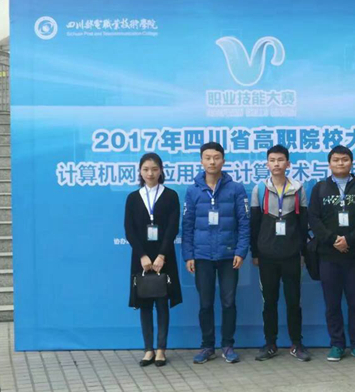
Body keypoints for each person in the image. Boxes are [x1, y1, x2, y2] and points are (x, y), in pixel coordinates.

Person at [183, 142, 250, 364]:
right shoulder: (193, 190)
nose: (212, 162)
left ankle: (228, 345)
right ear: (201, 161)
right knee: (205, 303)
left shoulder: (236, 189)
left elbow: (244, 223)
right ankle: (207, 346)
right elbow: (187, 225)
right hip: (202, 256)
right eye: (207, 157)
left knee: (229, 302)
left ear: (223, 160)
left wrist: (241, 251)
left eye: (216, 157)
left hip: (229, 256)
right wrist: (189, 255)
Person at [308, 145, 355, 362]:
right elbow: (314, 219)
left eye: (344, 159)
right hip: (328, 256)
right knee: (332, 304)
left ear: (351, 162)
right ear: (329, 163)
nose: (340, 163)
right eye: (336, 160)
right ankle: (337, 344)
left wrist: (349, 240)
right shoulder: (320, 188)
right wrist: (333, 240)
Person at [250, 145, 311, 362]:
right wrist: (255, 252)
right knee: (269, 301)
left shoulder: (298, 188)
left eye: (280, 160)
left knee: (294, 301)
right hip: (266, 255)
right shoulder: (259, 189)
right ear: (267, 164)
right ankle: (270, 343)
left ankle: (296, 343)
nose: (276, 164)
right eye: (272, 160)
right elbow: (254, 224)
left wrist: (303, 252)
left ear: (288, 163)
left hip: (292, 255)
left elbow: (303, 223)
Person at [124, 152, 182, 367]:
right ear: (140, 171)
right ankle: (148, 349)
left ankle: (161, 350)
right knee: (145, 303)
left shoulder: (171, 195)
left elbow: (172, 228)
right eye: (146, 169)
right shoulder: (133, 198)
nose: (150, 173)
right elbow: (129, 230)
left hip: (164, 256)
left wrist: (161, 256)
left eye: (154, 169)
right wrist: (142, 256)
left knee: (162, 303)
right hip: (141, 258)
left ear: (161, 171)